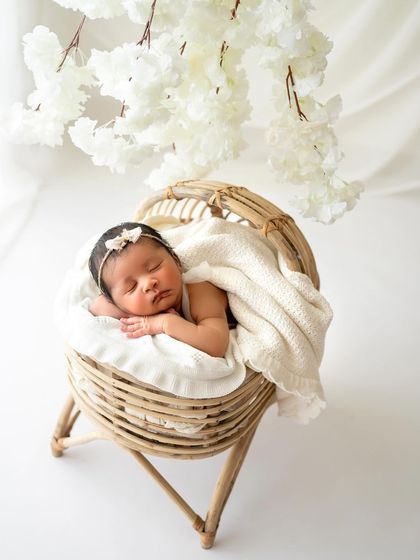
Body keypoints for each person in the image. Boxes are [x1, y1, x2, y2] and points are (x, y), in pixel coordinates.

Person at [88, 222, 231, 358]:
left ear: (176, 261)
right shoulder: (131, 305)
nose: (148, 284)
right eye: (131, 287)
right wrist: (141, 315)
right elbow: (97, 307)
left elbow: (216, 345)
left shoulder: (199, 291)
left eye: (154, 268)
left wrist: (164, 323)